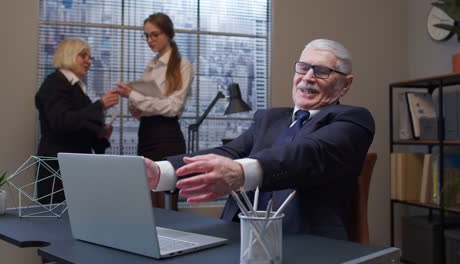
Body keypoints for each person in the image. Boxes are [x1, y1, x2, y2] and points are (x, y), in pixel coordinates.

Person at [143, 39, 375, 240]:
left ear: (345, 84)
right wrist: (160, 172)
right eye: (302, 68)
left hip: (307, 242)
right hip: (238, 239)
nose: (308, 78)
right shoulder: (268, 119)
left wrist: (240, 173)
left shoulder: (354, 121)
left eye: (321, 71)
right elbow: (228, 154)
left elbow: (308, 154)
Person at [116, 13, 194, 209]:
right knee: (149, 200)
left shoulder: (182, 64)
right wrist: (136, 107)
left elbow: (173, 107)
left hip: (166, 134)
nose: (150, 40)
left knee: (168, 202)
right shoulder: (151, 65)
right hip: (147, 132)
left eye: (155, 35)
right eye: (146, 36)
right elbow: (148, 103)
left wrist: (134, 95)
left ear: (168, 34)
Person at [35, 38, 120, 204]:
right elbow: (61, 121)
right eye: (83, 56)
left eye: (90, 57)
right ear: (69, 55)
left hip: (76, 167)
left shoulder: (77, 88)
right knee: (55, 226)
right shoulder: (54, 83)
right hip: (57, 168)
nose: (89, 61)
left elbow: (80, 125)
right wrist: (100, 104)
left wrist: (101, 136)